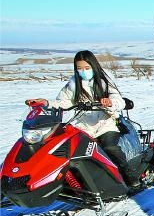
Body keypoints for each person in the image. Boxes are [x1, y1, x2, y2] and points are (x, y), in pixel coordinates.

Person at [26, 50, 138, 187]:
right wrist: (46, 103)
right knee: (68, 149)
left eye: (86, 68)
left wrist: (110, 102)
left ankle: (129, 175)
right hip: (83, 125)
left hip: (105, 123)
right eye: (79, 68)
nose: (83, 71)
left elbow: (118, 101)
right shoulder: (73, 85)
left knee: (109, 147)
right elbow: (63, 102)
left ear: (94, 66)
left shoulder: (104, 82)